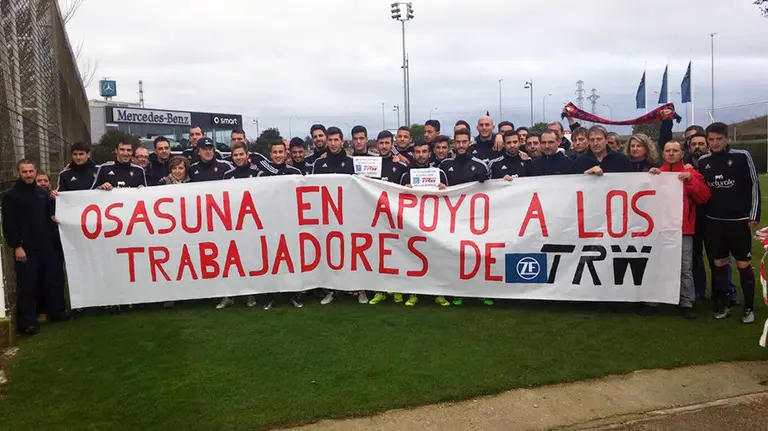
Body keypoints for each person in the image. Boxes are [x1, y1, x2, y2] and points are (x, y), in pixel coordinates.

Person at [698, 122, 760, 323]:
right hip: (714, 222)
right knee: (719, 264)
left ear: (727, 139)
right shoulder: (703, 161)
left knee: (743, 264)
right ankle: (723, 305)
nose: (715, 143)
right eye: (711, 140)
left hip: (739, 221)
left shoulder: (742, 156)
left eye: (719, 139)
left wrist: (754, 214)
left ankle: (749, 308)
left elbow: (753, 185)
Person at [3, 159, 68, 335]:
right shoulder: (10, 196)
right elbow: (9, 225)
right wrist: (17, 246)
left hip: (46, 246)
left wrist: (56, 220)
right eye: (25, 172)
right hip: (26, 248)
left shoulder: (41, 193)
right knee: (28, 285)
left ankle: (56, 312)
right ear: (18, 173)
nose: (29, 175)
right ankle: (27, 323)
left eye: (31, 171)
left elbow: (49, 216)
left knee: (53, 279)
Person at [649, 141, 711, 319]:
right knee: (657, 265)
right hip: (659, 230)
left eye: (674, 151)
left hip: (683, 229)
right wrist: (650, 179)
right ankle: (653, 300)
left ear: (681, 154)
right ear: (663, 153)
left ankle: (686, 302)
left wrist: (690, 181)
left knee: (685, 268)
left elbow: (704, 196)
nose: (670, 153)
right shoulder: (656, 174)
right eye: (667, 150)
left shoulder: (691, 173)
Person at [439, 128, 491, 306]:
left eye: (464, 142)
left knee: (476, 254)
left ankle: (481, 291)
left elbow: (494, 191)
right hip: (452, 219)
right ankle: (457, 291)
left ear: (469, 142)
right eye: (458, 142)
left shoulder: (481, 165)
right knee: (454, 255)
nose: (461, 146)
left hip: (475, 219)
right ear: (454, 143)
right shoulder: (444, 165)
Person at [310, 126, 362, 304]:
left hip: (348, 214)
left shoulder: (352, 162)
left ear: (342, 141)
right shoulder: (319, 163)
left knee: (351, 250)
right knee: (331, 251)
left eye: (336, 140)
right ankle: (331, 289)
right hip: (327, 216)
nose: (332, 144)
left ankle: (357, 287)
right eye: (330, 140)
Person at [368, 131, 415, 306]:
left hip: (395, 218)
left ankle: (399, 289)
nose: (384, 146)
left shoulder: (401, 166)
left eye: (387, 143)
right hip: (374, 217)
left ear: (392, 144)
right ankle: (381, 290)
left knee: (397, 253)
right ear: (377, 145)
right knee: (378, 254)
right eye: (381, 143)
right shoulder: (370, 165)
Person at [257, 141, 304, 310]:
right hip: (269, 223)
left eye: (280, 152)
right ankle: (271, 296)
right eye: (274, 152)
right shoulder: (262, 174)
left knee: (291, 259)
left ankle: (294, 295)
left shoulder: (295, 172)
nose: (278, 155)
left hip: (290, 222)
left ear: (286, 154)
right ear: (270, 154)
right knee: (271, 259)